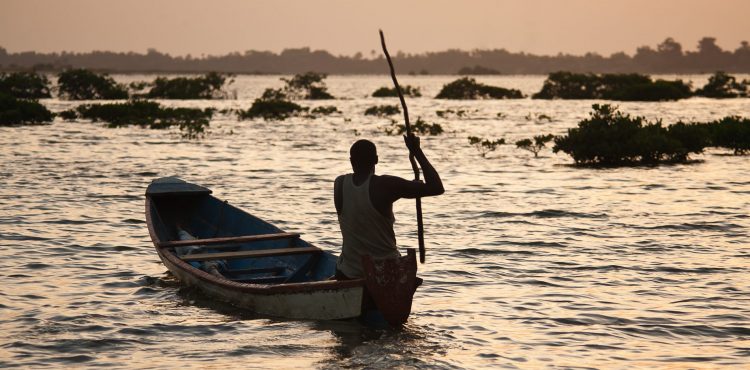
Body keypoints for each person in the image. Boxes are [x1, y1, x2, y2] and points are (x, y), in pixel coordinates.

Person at [334, 135, 444, 279]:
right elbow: (436, 187)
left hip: (349, 272)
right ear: (376, 160)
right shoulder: (386, 185)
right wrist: (416, 151)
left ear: (351, 161)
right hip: (386, 271)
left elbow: (366, 200)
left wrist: (410, 186)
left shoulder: (339, 183)